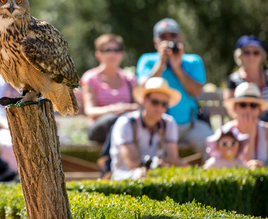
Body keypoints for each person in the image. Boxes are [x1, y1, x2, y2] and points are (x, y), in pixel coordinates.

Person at [136, 18, 213, 158]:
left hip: (190, 126)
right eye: (163, 37)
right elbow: (142, 90)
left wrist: (177, 68)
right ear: (155, 42)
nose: (168, 40)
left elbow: (196, 92)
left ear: (180, 38)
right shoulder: (147, 60)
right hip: (157, 127)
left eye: (173, 36)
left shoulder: (193, 61)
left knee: (214, 147)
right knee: (152, 156)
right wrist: (160, 64)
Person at [109, 77, 186, 180]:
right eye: (155, 102)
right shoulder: (126, 123)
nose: (160, 108)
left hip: (154, 174)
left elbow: (173, 158)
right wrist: (157, 163)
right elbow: (132, 164)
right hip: (125, 176)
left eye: (164, 104)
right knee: (140, 174)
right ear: (145, 100)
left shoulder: (169, 123)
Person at [80, 34, 139, 143]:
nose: (112, 54)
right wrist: (114, 109)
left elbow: (139, 106)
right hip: (101, 129)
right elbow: (90, 110)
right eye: (107, 50)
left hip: (127, 126)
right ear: (98, 54)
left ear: (122, 54)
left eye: (116, 50)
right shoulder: (91, 78)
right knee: (114, 120)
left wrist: (126, 108)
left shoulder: (130, 79)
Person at [223, 82, 268, 169]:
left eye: (253, 105)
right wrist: (249, 134)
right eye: (243, 104)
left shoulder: (266, 131)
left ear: (259, 110)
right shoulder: (225, 132)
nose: (248, 109)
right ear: (235, 108)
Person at [224, 35, 268, 121]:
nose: (251, 56)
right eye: (247, 52)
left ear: (262, 55)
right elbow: (231, 110)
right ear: (240, 56)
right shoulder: (233, 79)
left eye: (256, 52)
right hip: (245, 125)